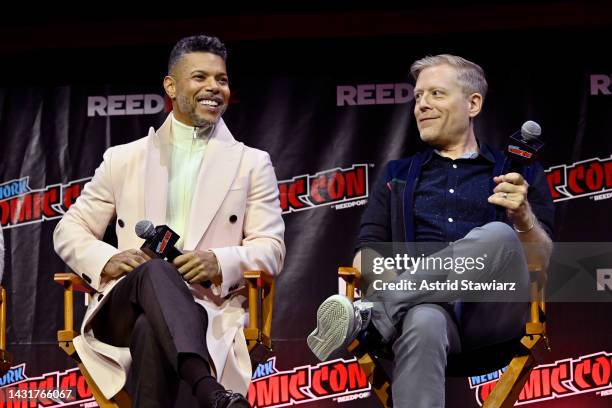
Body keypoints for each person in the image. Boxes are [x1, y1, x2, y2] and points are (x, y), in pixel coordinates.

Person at [308, 54, 554, 407]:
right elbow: (367, 252)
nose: (422, 105)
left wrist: (524, 218)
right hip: (424, 315)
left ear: (473, 103)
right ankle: (393, 307)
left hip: (493, 316)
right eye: (418, 97)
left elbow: (544, 261)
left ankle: (374, 314)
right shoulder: (398, 175)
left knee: (500, 237)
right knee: (423, 319)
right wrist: (398, 285)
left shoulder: (520, 174)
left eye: (436, 94)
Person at [54, 35, 285, 408]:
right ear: (171, 86)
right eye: (200, 77)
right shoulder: (124, 159)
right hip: (123, 307)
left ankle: (203, 387)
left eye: (222, 80)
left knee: (152, 329)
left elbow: (271, 250)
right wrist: (104, 259)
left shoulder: (251, 163)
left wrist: (220, 261)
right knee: (159, 273)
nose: (214, 88)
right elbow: (68, 229)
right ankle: (209, 391)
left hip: (206, 306)